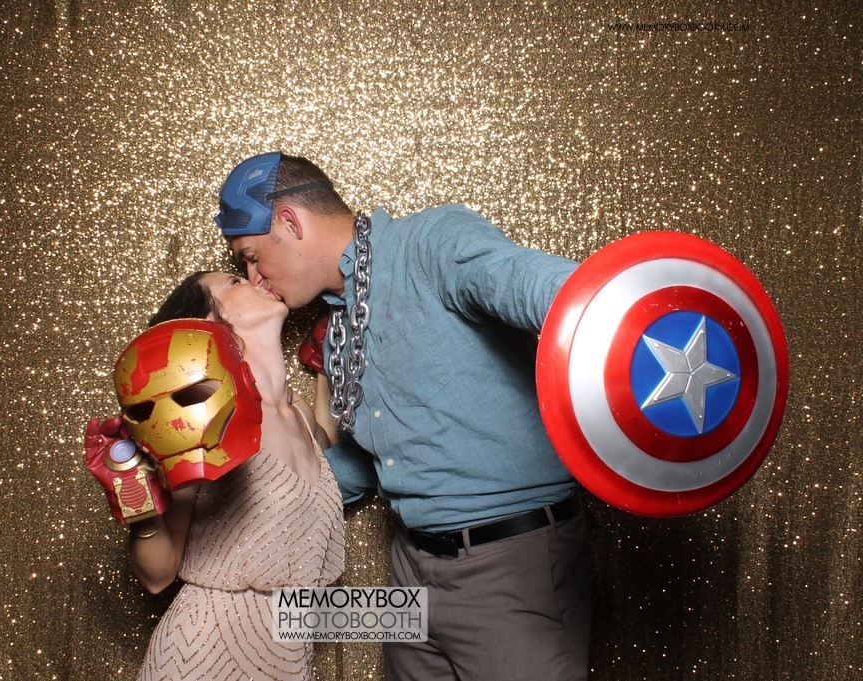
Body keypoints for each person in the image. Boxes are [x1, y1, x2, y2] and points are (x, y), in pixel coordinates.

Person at [214, 151, 593, 681]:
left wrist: (630, 324)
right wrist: (247, 510)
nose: (255, 278)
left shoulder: (430, 242)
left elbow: (544, 289)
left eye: (253, 257)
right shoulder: (340, 326)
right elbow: (376, 457)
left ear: (291, 222)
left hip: (508, 560)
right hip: (411, 568)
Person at [84, 271, 345, 680]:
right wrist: (141, 511)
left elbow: (327, 445)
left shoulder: (298, 414)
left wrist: (326, 368)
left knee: (415, 617)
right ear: (208, 322)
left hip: (291, 647)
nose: (257, 280)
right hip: (204, 653)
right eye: (236, 282)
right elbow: (158, 577)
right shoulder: (202, 423)